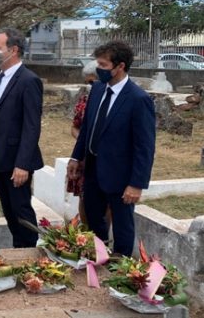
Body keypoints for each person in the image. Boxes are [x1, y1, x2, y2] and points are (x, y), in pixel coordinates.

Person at [68, 41, 156, 256]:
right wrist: (76, 157)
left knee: (122, 225)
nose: (99, 69)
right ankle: (98, 258)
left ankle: (121, 268)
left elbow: (145, 147)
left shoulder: (138, 99)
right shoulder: (97, 90)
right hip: (93, 169)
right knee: (93, 218)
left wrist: (136, 184)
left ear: (120, 66)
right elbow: (87, 127)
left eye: (104, 65)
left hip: (121, 174)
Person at [0, 28, 44, 248]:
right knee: (8, 209)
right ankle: (18, 249)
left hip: (17, 161)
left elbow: (31, 126)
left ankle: (28, 251)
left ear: (13, 50)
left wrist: (23, 164)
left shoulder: (29, 80)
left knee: (21, 209)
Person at [66, 60, 98, 224]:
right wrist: (84, 139)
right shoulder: (85, 101)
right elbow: (75, 127)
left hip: (104, 159)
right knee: (84, 198)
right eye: (88, 83)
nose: (90, 86)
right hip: (84, 156)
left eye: (92, 82)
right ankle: (85, 234)